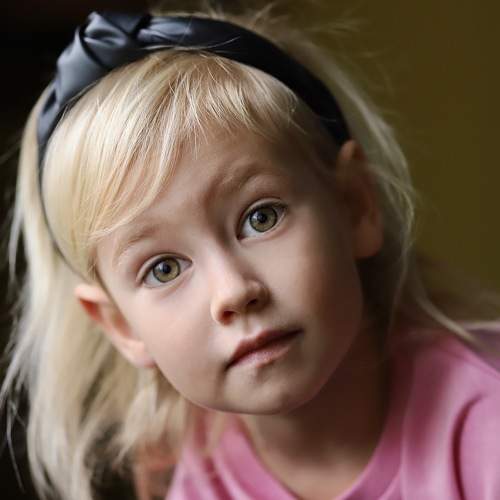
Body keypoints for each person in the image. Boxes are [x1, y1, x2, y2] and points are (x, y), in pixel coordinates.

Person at [2, 3, 500, 500]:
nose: (234, 292)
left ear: (354, 206)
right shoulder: (189, 476)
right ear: (122, 326)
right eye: (164, 268)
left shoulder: (484, 426)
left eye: (261, 218)